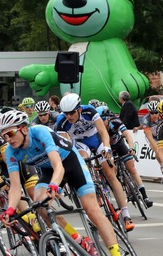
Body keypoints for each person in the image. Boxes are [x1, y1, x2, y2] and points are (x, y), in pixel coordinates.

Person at [0, 109, 131, 256]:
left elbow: (58, 166)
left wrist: (54, 186)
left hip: (69, 162)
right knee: (39, 204)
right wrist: (10, 210)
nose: (8, 139)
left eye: (11, 133)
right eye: (4, 136)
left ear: (23, 128)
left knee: (91, 208)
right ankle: (78, 239)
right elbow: (15, 186)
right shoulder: (11, 152)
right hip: (48, 171)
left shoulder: (40, 132)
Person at [55, 93, 136, 231]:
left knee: (110, 174)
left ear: (79, 109)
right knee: (83, 161)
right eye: (66, 113)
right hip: (80, 143)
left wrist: (107, 147)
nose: (69, 116)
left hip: (96, 139)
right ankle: (92, 188)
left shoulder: (89, 111)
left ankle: (126, 215)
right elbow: (66, 145)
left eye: (72, 113)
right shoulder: (61, 122)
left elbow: (103, 131)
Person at [98, 105, 153, 207]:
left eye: (104, 120)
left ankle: (145, 196)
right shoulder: (97, 128)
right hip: (108, 149)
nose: (102, 122)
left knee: (132, 169)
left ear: (108, 118)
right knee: (112, 171)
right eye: (100, 120)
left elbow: (127, 134)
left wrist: (132, 147)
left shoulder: (115, 121)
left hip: (119, 145)